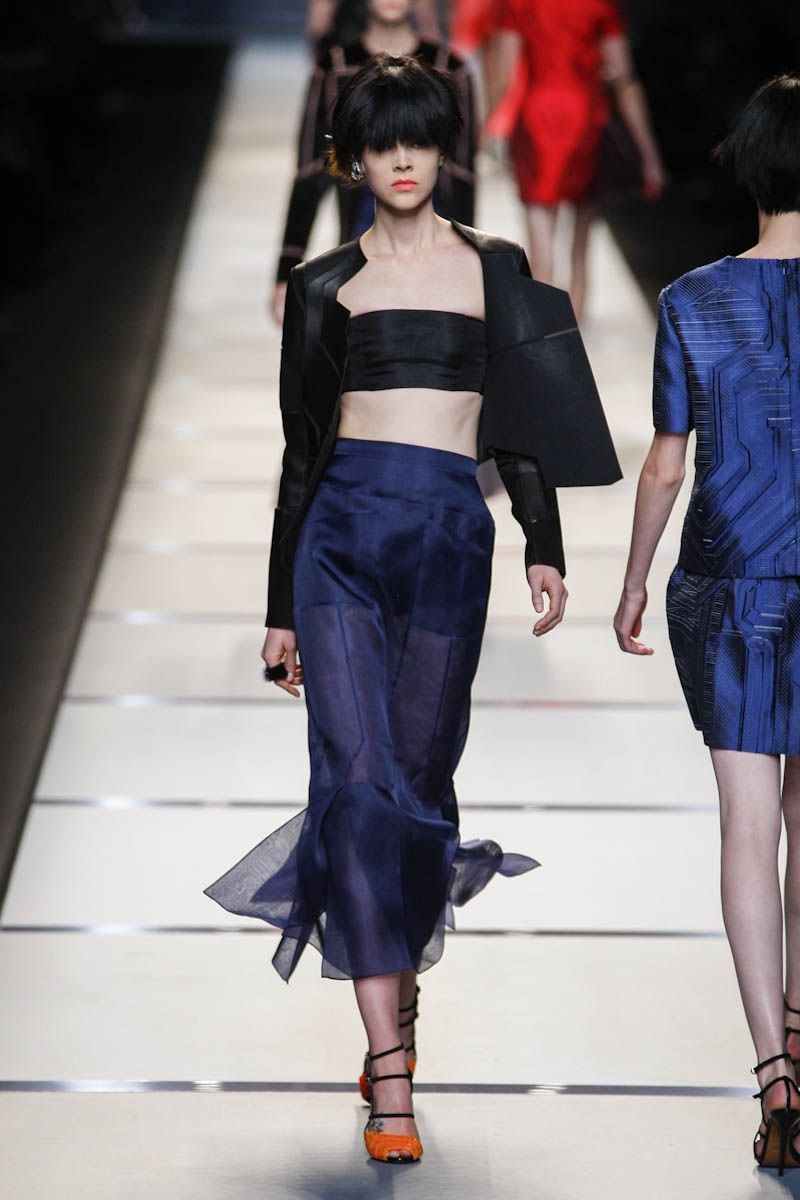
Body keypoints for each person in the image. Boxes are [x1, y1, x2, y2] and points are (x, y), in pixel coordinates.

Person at [208, 53, 621, 1165]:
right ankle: (387, 1070)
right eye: (381, 143)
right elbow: (300, 455)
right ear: (354, 157)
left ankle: (396, 977)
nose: (401, 161)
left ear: (446, 151)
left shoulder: (497, 267)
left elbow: (520, 422)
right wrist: (279, 608)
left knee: (420, 784)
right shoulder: (321, 286)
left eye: (419, 141)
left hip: (447, 539)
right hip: (339, 543)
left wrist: (543, 540)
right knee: (356, 782)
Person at [614, 74, 800, 1176]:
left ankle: (772, 1078)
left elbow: (664, 463)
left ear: (747, 165)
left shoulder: (692, 299)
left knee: (745, 823)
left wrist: (634, 580)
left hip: (729, 579)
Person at [271, 0, 476, 325]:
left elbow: (462, 174)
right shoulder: (335, 68)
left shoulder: (449, 67)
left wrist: (470, 256)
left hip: (439, 240)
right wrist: (287, 268)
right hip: (359, 236)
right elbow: (309, 173)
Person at [485, 0, 665, 320]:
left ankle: (547, 336)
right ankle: (576, 332)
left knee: (540, 247)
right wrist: (649, 155)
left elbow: (503, 76)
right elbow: (624, 79)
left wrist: (486, 127)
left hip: (537, 117)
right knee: (580, 246)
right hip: (586, 118)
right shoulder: (602, 5)